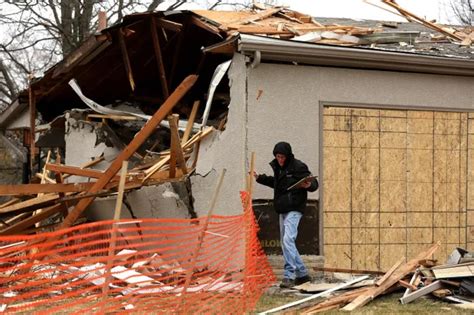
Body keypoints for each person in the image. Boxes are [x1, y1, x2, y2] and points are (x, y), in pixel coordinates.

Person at [254, 141, 318, 288]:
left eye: (282, 157)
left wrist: (308, 185)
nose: (280, 160)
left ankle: (297, 273)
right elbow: (276, 183)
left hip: (295, 208)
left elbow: (314, 184)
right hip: (282, 209)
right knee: (285, 243)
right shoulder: (277, 167)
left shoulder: (298, 166)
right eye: (278, 157)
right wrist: (259, 178)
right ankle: (297, 276)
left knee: (288, 240)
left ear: (288, 156)